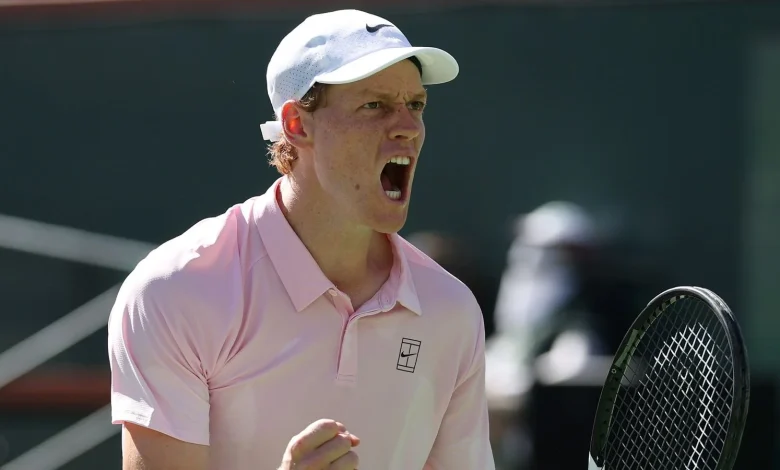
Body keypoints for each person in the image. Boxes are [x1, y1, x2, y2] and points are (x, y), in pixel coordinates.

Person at [107, 9, 494, 470]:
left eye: (416, 104)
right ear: (296, 125)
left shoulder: (452, 310)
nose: (408, 126)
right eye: (374, 105)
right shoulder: (175, 289)